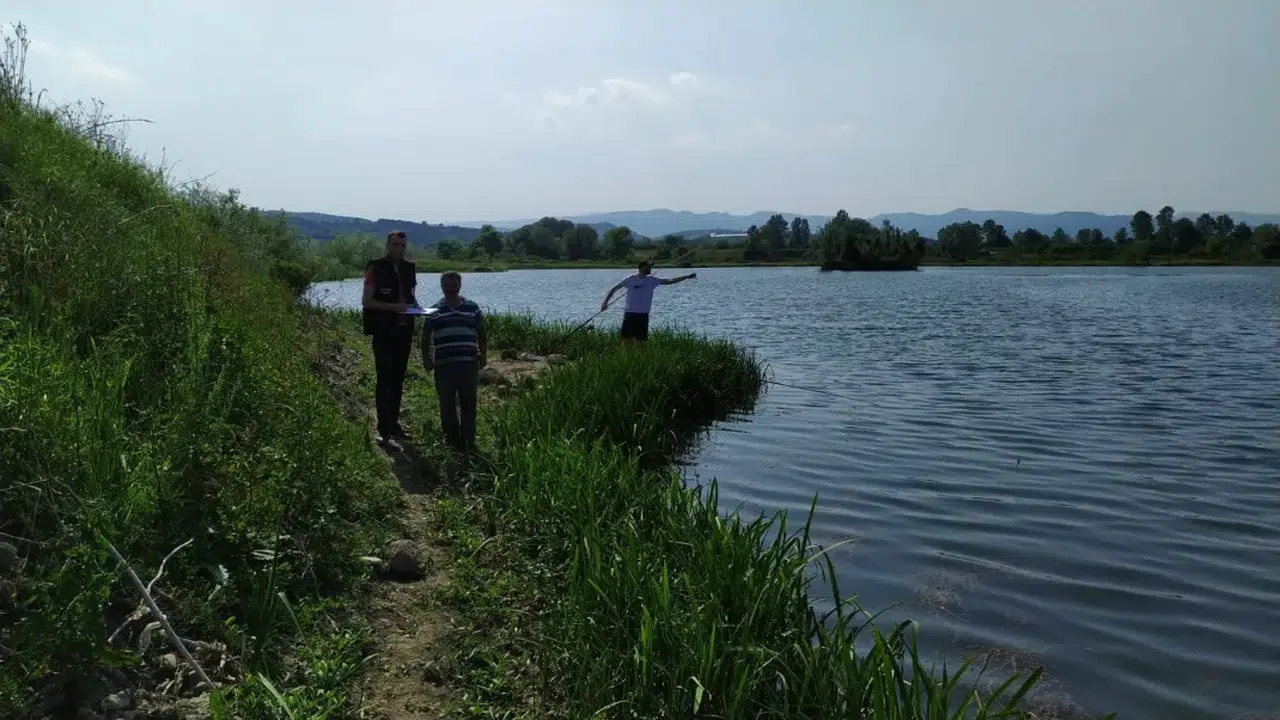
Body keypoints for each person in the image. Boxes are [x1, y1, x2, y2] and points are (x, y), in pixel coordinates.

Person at [362, 230, 418, 445]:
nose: (399, 249)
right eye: (395, 245)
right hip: (384, 332)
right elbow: (368, 302)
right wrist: (397, 308)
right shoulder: (375, 267)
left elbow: (410, 297)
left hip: (404, 331)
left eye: (402, 245)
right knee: (384, 379)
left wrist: (419, 309)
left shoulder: (409, 268)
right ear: (388, 246)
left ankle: (393, 425)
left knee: (398, 379)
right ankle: (383, 430)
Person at [422, 271, 487, 452]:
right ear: (442, 287)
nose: (451, 289)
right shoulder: (433, 310)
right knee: (447, 405)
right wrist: (426, 358)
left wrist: (484, 354)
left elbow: (482, 333)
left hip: (468, 364)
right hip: (444, 365)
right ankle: (452, 442)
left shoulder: (472, 307)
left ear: (460, 286)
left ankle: (469, 441)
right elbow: (425, 337)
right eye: (447, 285)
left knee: (469, 404)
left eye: (454, 285)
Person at [600, 260, 696, 342]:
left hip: (643, 314)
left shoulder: (652, 280)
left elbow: (670, 281)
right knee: (626, 341)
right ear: (642, 268)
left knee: (641, 342)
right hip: (630, 313)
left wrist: (686, 276)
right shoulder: (631, 279)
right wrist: (605, 302)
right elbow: (614, 288)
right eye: (648, 267)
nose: (650, 269)